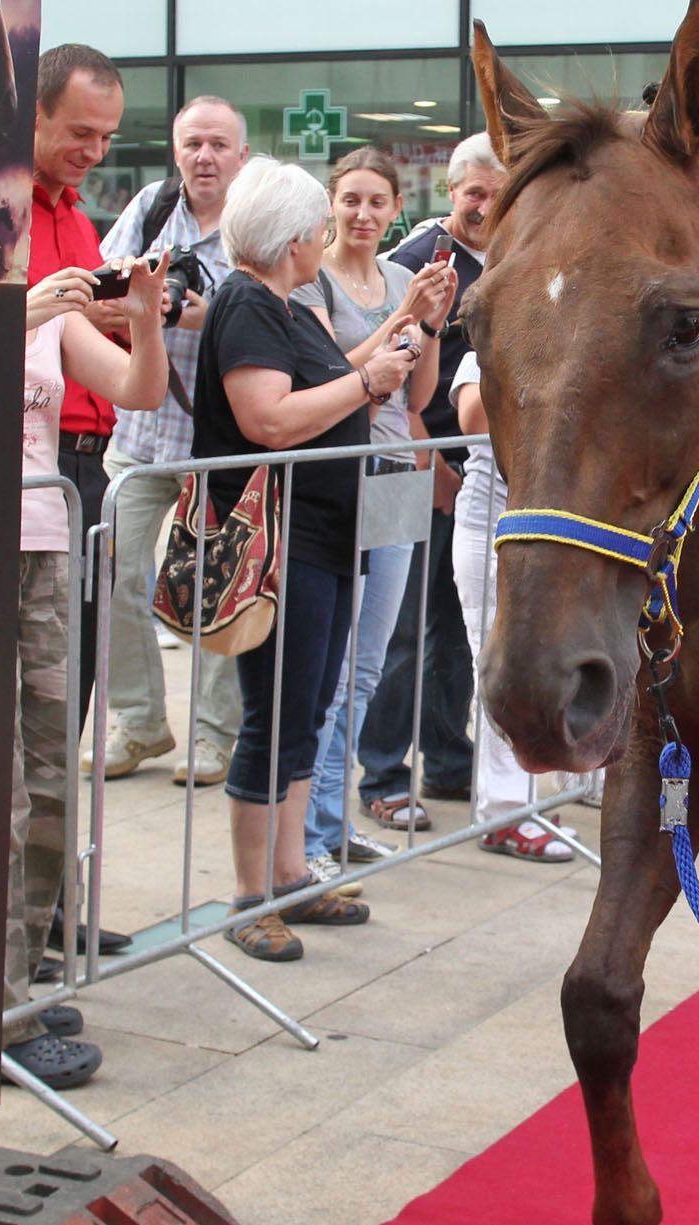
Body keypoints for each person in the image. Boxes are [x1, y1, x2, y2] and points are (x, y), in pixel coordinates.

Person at [194, 156, 417, 962]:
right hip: (279, 545)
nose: (327, 237)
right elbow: (270, 421)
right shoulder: (250, 302)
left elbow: (336, 384)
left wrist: (384, 358)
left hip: (320, 537)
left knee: (308, 705)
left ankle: (289, 870)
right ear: (294, 237)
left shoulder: (283, 303)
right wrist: (367, 386)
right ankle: (251, 893)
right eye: (321, 225)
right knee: (277, 713)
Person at [5, 250, 170, 1087]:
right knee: (0, 795)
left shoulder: (53, 315)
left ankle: (18, 981)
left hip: (47, 547)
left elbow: (139, 390)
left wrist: (143, 314)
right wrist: (19, 314)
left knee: (51, 777)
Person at [289, 148, 457, 889]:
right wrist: (402, 314)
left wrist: (436, 325)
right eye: (350, 199)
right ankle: (306, 831)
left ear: (396, 207)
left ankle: (333, 820)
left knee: (367, 664)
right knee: (324, 669)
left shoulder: (400, 276)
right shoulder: (310, 279)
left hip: (392, 470)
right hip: (334, 477)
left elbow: (417, 399)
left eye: (376, 202)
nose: (362, 214)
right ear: (331, 204)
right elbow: (336, 374)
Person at [92, 96, 250, 785]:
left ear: (242, 155)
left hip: (219, 438)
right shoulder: (151, 210)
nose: (205, 157)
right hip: (141, 433)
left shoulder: (256, 223)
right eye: (193, 144)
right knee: (113, 574)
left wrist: (197, 317)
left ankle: (215, 736)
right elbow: (99, 291)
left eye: (219, 144)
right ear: (176, 151)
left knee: (217, 591)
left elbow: (282, 313)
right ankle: (141, 721)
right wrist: (134, 307)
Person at [356, 133, 507, 831]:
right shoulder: (417, 260)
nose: (481, 205)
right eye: (471, 191)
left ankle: (448, 758)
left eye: (494, 193)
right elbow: (395, 383)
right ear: (450, 192)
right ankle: (383, 773)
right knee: (399, 629)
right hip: (410, 466)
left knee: (454, 625)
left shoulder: (508, 258)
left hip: (465, 473)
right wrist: (432, 464)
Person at [26, 44, 129, 738]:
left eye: (107, 137)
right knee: (39, 681)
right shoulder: (4, 213)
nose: (94, 151)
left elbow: (91, 346)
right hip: (36, 464)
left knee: (77, 672)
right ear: (33, 116)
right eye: (80, 132)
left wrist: (121, 319)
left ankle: (57, 845)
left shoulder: (80, 219)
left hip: (93, 464)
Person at [450, 350, 574, 861]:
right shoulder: (485, 350)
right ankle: (503, 812)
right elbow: (474, 418)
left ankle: (531, 802)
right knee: (498, 666)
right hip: (491, 531)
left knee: (547, 668)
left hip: (552, 537)